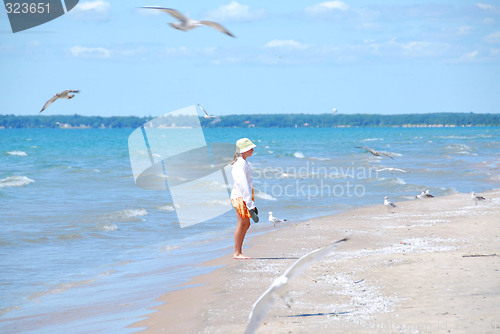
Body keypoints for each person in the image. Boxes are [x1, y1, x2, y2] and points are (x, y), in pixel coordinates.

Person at [230, 138, 258, 259]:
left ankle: (238, 252)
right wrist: (250, 204)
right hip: (241, 197)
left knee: (246, 225)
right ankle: (237, 253)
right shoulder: (240, 164)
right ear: (244, 150)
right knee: (242, 225)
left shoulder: (243, 162)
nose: (252, 150)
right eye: (250, 148)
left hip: (243, 196)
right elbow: (243, 185)